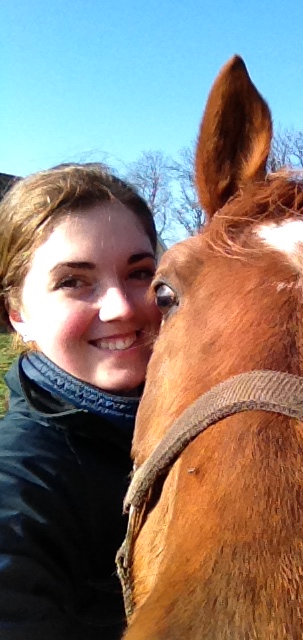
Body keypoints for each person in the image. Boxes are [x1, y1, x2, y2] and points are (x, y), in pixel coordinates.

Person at [0, 163, 162, 639]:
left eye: (140, 273)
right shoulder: (25, 479)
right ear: (18, 313)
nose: (122, 308)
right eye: (73, 281)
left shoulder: (197, 420)